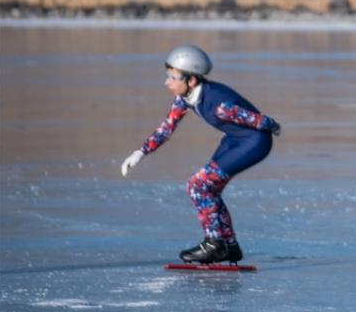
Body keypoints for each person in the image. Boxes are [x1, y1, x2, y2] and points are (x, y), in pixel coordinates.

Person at [119, 44, 280, 264]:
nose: (167, 82)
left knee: (198, 185)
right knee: (209, 189)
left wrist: (271, 124)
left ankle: (214, 244)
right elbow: (166, 129)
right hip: (233, 140)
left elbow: (257, 120)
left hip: (254, 143)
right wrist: (140, 152)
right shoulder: (185, 98)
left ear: (191, 80)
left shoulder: (218, 105)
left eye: (172, 77)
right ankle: (230, 247)